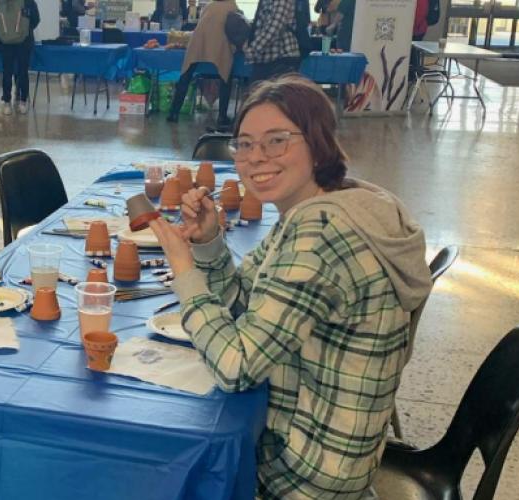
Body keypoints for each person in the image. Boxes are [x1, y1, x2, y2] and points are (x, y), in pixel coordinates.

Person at [149, 76, 433, 497]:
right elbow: (245, 302)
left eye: (276, 141)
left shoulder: (321, 231)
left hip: (305, 473)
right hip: (343, 452)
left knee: (156, 467)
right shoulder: (334, 203)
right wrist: (209, 241)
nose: (255, 157)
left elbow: (236, 366)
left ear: (318, 143)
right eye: (244, 144)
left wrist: (183, 267)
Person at [166, 0, 246, 128]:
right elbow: (236, 27)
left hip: (198, 42)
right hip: (220, 43)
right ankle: (221, 117)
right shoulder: (232, 6)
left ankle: (173, 113)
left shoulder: (209, 6)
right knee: (225, 77)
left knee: (186, 75)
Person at [0, 0, 40, 115]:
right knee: (23, 71)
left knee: (7, 71)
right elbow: (36, 19)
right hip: (25, 41)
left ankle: (7, 103)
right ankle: (23, 102)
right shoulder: (28, 1)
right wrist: (25, 28)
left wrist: (2, 34)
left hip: (5, 41)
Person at [245, 0, 301, 83]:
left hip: (280, 57)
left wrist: (251, 50)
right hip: (268, 58)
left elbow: (274, 27)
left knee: (261, 93)